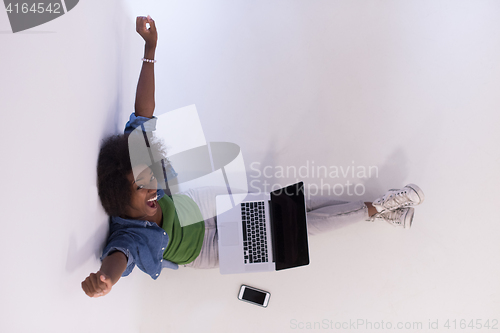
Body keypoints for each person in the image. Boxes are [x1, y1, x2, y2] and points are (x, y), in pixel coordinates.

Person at [81, 16, 425, 298]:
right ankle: (380, 206)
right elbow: (117, 259)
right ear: (118, 199)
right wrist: (105, 279)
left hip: (205, 210)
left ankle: (377, 213)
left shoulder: (135, 165)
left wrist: (150, 48)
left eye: (149, 178)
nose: (152, 187)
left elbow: (143, 113)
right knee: (300, 231)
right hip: (210, 248)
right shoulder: (127, 237)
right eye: (141, 188)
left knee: (298, 203)